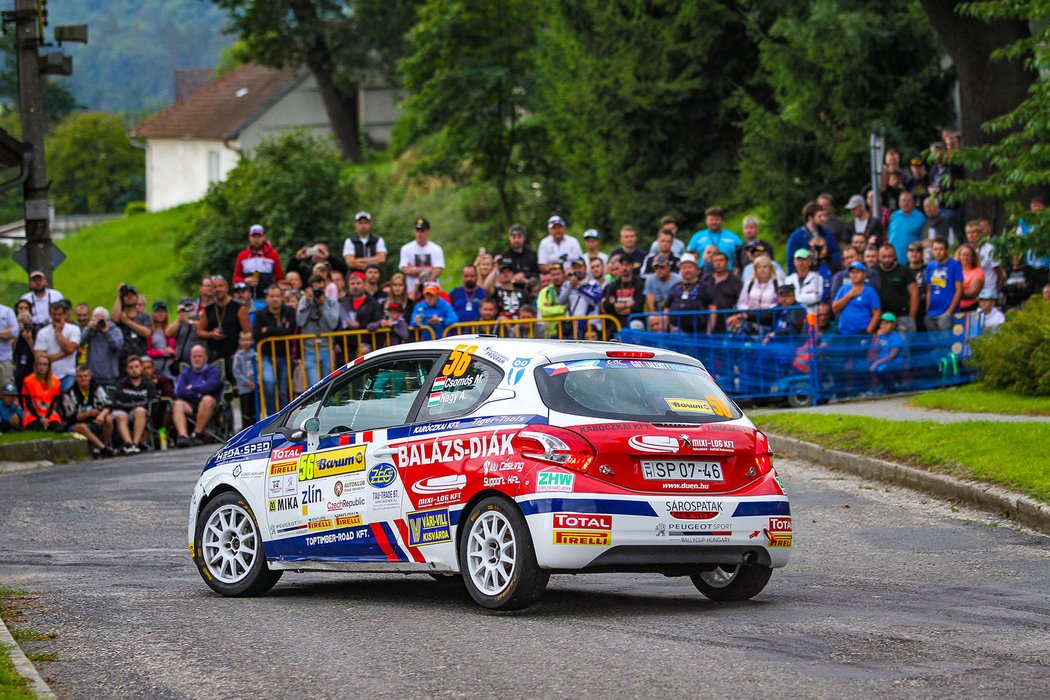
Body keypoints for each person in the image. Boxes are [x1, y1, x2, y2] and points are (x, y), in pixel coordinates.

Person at [252, 285, 296, 416]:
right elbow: (257, 334)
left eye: (277, 296)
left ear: (282, 297)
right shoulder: (260, 314)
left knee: (284, 390)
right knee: (269, 383)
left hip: (285, 355)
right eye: (272, 296)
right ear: (267, 298)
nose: (275, 299)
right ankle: (271, 417)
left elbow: (290, 330)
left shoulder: (289, 311)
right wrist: (279, 329)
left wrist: (268, 330)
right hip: (266, 356)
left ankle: (287, 418)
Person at [172, 344, 222, 447]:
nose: (197, 359)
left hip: (209, 404)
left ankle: (196, 434)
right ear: (190, 358)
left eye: (199, 356)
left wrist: (191, 387)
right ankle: (183, 437)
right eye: (194, 356)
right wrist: (200, 390)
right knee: (177, 404)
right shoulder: (185, 372)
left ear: (205, 358)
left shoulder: (213, 371)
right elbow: (179, 391)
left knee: (207, 399)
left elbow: (211, 387)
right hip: (190, 404)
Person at [198, 275, 251, 371]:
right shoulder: (208, 310)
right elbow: (200, 331)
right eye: (215, 287)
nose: (218, 289)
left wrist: (239, 351)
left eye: (220, 286)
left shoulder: (239, 308)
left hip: (234, 354)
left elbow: (247, 332)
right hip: (214, 355)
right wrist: (211, 334)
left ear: (226, 288)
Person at [297, 274, 340, 386]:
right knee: (314, 385)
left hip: (327, 348)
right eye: (315, 289)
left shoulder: (332, 303)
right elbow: (300, 322)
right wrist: (306, 301)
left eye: (321, 289)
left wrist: (323, 305)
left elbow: (333, 324)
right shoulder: (304, 301)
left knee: (329, 384)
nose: (318, 291)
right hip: (309, 350)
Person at [63, 365, 114, 458]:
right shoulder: (69, 393)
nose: (83, 379)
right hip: (77, 424)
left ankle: (104, 445)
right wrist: (88, 414)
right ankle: (104, 449)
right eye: (80, 376)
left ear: (90, 377)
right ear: (76, 378)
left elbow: (108, 405)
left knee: (109, 418)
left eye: (85, 376)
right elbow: (71, 416)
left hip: (96, 421)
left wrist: (101, 415)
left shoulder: (96, 388)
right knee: (82, 426)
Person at [110, 355, 157, 453]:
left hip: (140, 413)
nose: (134, 370)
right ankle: (129, 444)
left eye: (136, 367)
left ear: (141, 368)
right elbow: (117, 402)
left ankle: (135, 444)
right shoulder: (121, 384)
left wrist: (132, 401)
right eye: (131, 367)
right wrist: (138, 401)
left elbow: (151, 401)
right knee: (121, 416)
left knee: (140, 411)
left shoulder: (148, 384)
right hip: (124, 412)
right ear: (127, 370)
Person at [34, 301, 81, 392]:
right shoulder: (43, 332)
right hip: (49, 376)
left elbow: (70, 348)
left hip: (68, 374)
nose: (56, 318)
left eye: (59, 314)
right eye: (54, 315)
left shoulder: (74, 329)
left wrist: (58, 333)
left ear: (65, 314)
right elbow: (39, 357)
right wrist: (65, 353)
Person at [233, 224, 285, 304]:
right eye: (254, 237)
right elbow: (235, 278)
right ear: (249, 238)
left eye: (259, 237)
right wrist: (245, 280)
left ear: (264, 237)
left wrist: (279, 294)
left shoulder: (273, 254)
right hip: (246, 300)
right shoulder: (242, 255)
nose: (256, 240)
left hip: (267, 299)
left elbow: (280, 278)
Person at [875, 244, 919, 333]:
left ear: (895, 256)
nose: (887, 260)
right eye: (884, 257)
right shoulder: (873, 272)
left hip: (902, 317)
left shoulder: (905, 270)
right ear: (879, 257)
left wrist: (911, 317)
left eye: (890, 256)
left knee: (905, 346)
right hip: (882, 318)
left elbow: (915, 293)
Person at [787, 202, 840, 274]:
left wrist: (827, 256)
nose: (823, 218)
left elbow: (836, 252)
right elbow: (791, 260)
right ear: (810, 218)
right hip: (806, 274)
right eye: (820, 216)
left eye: (823, 216)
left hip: (827, 272)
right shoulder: (797, 237)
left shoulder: (827, 234)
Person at [665, 253, 711, 333]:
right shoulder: (675, 287)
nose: (687, 270)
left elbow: (712, 309)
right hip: (676, 332)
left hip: (699, 332)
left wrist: (708, 332)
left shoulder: (705, 287)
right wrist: (665, 328)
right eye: (684, 268)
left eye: (690, 267)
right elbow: (667, 308)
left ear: (696, 270)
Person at [832, 261, 881, 336]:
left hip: (862, 332)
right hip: (844, 333)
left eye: (858, 272)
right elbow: (835, 308)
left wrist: (868, 331)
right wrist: (849, 295)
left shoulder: (870, 291)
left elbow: (877, 313)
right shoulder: (843, 289)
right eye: (852, 272)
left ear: (864, 274)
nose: (855, 275)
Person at [924, 237, 964, 331]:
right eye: (935, 249)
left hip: (947, 312)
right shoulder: (930, 266)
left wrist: (949, 312)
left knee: (946, 342)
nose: (938, 252)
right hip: (931, 312)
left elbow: (959, 290)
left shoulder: (955, 265)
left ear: (946, 250)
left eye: (941, 249)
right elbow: (929, 291)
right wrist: (927, 310)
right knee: (934, 343)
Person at [79, 307, 124, 388]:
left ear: (108, 320)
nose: (99, 322)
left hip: (110, 377)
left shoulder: (115, 331)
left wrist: (107, 333)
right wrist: (89, 329)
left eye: (101, 319)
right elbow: (80, 343)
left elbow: (118, 347)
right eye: (96, 319)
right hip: (93, 376)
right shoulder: (91, 331)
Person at [732, 254, 778, 333]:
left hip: (769, 317)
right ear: (755, 269)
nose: (762, 270)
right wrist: (748, 309)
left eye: (765, 267)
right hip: (750, 317)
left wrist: (764, 307)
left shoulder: (777, 284)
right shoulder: (749, 284)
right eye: (759, 267)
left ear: (770, 269)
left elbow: (779, 303)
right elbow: (741, 303)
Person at [560, 258, 604, 337]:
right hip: (572, 324)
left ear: (585, 268)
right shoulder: (567, 284)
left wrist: (580, 288)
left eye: (580, 267)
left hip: (589, 326)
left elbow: (596, 299)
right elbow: (560, 301)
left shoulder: (593, 283)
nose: (578, 270)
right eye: (575, 268)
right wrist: (571, 286)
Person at [400, 217, 445, 292]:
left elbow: (437, 271)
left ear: (428, 231)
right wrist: (429, 270)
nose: (419, 234)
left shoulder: (436, 249)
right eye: (417, 230)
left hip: (432, 290)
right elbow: (406, 270)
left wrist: (414, 270)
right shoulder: (406, 249)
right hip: (412, 290)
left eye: (422, 230)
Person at [21, 354, 63, 432]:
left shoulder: (56, 382)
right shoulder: (28, 381)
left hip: (49, 414)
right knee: (37, 428)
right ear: (35, 366)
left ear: (48, 367)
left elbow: (54, 404)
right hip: (33, 414)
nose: (42, 367)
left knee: (57, 428)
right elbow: (28, 404)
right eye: (40, 364)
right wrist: (40, 418)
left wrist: (46, 418)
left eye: (45, 364)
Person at [601, 258, 646, 327]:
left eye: (627, 265)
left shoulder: (639, 284)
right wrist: (627, 305)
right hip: (616, 322)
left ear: (632, 266)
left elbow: (638, 307)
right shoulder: (613, 285)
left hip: (635, 320)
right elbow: (607, 306)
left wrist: (616, 307)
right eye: (622, 265)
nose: (625, 268)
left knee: (634, 325)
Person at [867, 312, 905, 393]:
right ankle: (876, 388)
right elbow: (874, 348)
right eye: (882, 323)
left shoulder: (896, 337)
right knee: (866, 366)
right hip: (882, 360)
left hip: (893, 362)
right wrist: (877, 336)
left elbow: (892, 355)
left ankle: (892, 388)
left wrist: (877, 363)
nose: (884, 326)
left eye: (887, 323)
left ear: (893, 325)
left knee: (880, 369)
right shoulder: (882, 335)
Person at [888, 191, 926, 264]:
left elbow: (924, 239)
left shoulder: (920, 217)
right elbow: (889, 235)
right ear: (899, 203)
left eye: (908, 201)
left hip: (911, 260)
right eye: (903, 201)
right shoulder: (894, 215)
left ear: (913, 203)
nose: (905, 203)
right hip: (893, 260)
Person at [968, 219, 1002, 298]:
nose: (971, 235)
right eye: (968, 233)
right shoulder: (967, 250)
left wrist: (996, 289)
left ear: (980, 233)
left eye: (974, 232)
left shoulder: (990, 249)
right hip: (972, 294)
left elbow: (999, 272)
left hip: (988, 292)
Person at [783, 249, 824, 316]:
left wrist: (795, 299)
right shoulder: (789, 279)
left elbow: (817, 297)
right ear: (794, 262)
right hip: (792, 316)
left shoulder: (817, 278)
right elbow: (786, 299)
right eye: (798, 260)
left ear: (809, 262)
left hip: (811, 314)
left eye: (803, 259)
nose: (801, 262)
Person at [918, 198, 957, 263]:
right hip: (925, 257)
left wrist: (926, 243)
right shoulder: (925, 222)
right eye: (925, 207)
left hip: (937, 257)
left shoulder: (942, 221)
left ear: (937, 207)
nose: (928, 209)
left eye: (930, 206)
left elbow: (942, 240)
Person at [232, 331, 258, 428]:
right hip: (244, 389)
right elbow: (236, 372)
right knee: (245, 411)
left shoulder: (255, 355)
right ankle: (246, 429)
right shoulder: (238, 356)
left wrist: (256, 382)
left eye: (248, 340)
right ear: (239, 342)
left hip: (254, 387)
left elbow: (259, 369)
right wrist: (247, 382)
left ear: (252, 341)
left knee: (254, 410)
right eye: (244, 340)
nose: (246, 342)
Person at [955, 243, 985, 313]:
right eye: (963, 254)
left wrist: (953, 292)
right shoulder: (954, 270)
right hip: (953, 308)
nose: (965, 257)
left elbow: (972, 293)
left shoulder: (978, 272)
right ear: (959, 256)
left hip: (969, 309)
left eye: (968, 255)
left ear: (973, 257)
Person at [12, 302, 35, 391]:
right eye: (20, 308)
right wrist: (17, 332)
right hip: (16, 369)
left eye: (26, 308)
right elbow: (10, 350)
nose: (23, 311)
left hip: (32, 369)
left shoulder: (37, 330)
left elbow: (39, 354)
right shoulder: (11, 329)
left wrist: (29, 340)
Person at [0, 300, 17, 389]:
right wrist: (4, 333)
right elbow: (8, 333)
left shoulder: (7, 311)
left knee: (7, 392)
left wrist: (9, 333)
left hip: (5, 360)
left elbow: (14, 332)